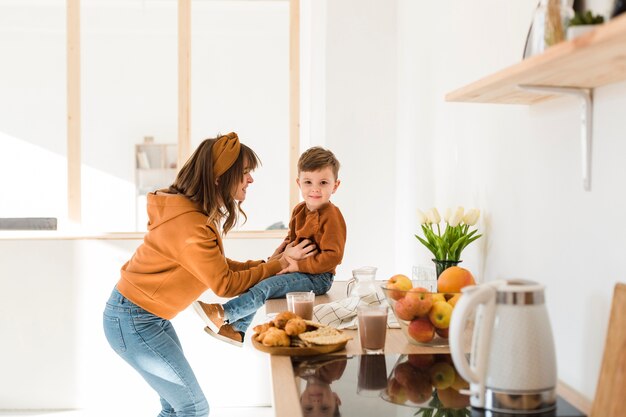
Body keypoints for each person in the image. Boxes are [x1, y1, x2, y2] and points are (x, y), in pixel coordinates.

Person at [102, 132, 316, 417]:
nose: (250, 180)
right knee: (193, 408)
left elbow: (219, 268)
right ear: (219, 177)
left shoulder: (193, 215)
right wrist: (277, 265)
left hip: (143, 318)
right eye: (244, 173)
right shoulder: (190, 225)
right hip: (133, 320)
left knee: (176, 407)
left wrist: (272, 262)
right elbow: (224, 284)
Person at [193, 146, 346, 344]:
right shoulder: (299, 210)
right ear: (299, 183)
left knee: (266, 287)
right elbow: (290, 239)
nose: (315, 189)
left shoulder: (332, 216)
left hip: (318, 278)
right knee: (262, 280)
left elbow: (334, 256)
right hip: (297, 271)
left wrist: (298, 266)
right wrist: (279, 258)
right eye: (308, 182)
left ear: (335, 186)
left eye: (323, 183)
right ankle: (237, 330)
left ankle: (225, 313)